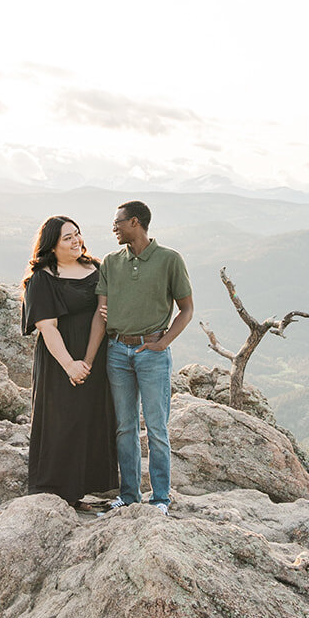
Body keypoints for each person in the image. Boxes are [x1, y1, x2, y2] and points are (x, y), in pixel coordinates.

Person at [96, 200, 192, 515]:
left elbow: (186, 309)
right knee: (124, 427)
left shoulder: (169, 260)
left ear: (135, 222)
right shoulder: (110, 262)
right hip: (117, 352)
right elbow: (102, 310)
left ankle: (161, 498)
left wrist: (163, 343)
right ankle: (129, 495)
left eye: (117, 222)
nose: (113, 228)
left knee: (156, 428)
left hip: (152, 353)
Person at [20, 215, 119, 507]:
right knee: (62, 420)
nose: (76, 240)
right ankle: (59, 491)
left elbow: (105, 312)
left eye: (77, 234)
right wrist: (70, 365)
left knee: (93, 416)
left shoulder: (97, 269)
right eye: (67, 237)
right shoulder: (41, 279)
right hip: (58, 359)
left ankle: (93, 486)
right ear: (52, 246)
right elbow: (48, 328)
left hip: (96, 354)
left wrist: (88, 360)